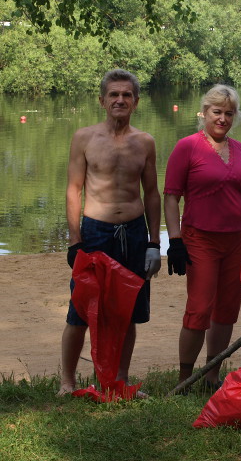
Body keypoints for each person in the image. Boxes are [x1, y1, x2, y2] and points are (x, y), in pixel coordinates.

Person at [60, 69, 161, 396]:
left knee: (127, 309)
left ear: (136, 102)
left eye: (126, 95)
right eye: (114, 95)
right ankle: (67, 382)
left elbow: (152, 194)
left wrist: (154, 243)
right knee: (80, 309)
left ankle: (119, 380)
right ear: (102, 100)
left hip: (133, 232)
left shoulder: (145, 141)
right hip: (95, 233)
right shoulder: (84, 138)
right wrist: (75, 240)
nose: (120, 100)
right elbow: (73, 190)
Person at [164, 85, 241, 391]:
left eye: (228, 113)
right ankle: (184, 379)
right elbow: (171, 197)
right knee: (199, 308)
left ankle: (211, 374)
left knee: (227, 309)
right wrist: (174, 240)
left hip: (237, 240)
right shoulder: (187, 147)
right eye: (217, 112)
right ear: (204, 113)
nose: (222, 118)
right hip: (200, 240)